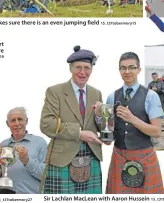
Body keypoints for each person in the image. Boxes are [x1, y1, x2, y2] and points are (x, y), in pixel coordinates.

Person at [40, 46, 103, 194]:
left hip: (91, 155)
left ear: (91, 69)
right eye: (78, 67)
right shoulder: (55, 91)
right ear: (71, 69)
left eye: (87, 68)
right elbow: (46, 124)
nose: (82, 72)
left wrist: (101, 116)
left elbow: (101, 127)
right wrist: (79, 133)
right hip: (62, 159)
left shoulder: (96, 93)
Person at [103, 51, 163, 194]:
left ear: (139, 70)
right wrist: (106, 138)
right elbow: (109, 129)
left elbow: (156, 131)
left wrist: (132, 119)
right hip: (119, 155)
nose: (127, 71)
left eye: (131, 67)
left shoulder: (151, 96)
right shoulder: (112, 97)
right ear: (119, 70)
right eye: (123, 68)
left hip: (145, 156)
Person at [0, 107, 47, 194]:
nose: (17, 123)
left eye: (20, 119)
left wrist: (27, 161)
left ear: (26, 121)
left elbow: (46, 175)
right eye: (13, 120)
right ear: (7, 123)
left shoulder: (40, 142)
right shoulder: (2, 145)